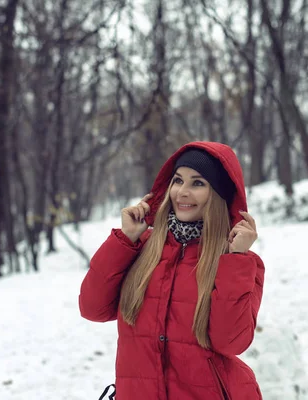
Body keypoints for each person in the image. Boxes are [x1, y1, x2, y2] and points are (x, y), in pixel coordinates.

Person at [79, 141, 265, 400]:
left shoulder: (237, 262)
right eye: (178, 181)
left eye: (198, 183)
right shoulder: (141, 248)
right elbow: (92, 308)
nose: (182, 192)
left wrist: (236, 259)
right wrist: (125, 240)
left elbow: (230, 342)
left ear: (218, 194)